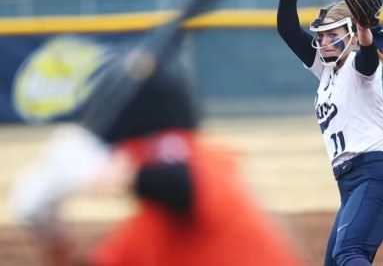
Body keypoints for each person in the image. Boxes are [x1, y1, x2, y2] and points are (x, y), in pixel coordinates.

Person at [10, 67, 305, 266]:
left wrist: (100, 174)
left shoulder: (206, 168)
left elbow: (180, 185)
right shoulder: (150, 230)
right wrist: (50, 235)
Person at [277, 0, 383, 266]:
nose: (321, 41)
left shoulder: (360, 68)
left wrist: (364, 28)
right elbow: (287, 29)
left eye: (329, 34)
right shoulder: (326, 71)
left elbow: (367, 56)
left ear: (351, 31)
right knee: (336, 262)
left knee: (349, 254)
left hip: (375, 178)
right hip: (350, 185)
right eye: (320, 35)